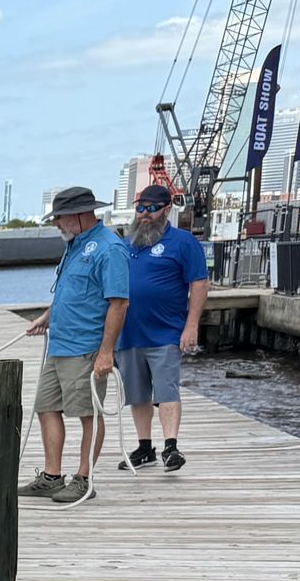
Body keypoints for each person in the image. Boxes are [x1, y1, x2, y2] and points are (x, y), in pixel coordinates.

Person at [21, 185, 130, 507]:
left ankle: (84, 479)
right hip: (60, 344)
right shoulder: (75, 244)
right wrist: (47, 316)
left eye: (60, 218)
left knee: (88, 415)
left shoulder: (109, 249)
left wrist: (106, 352)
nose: (56, 224)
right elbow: (71, 291)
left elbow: (119, 303)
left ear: (82, 214)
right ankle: (51, 476)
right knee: (45, 407)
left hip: (86, 348)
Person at [116, 183, 209, 473]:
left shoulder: (182, 242)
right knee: (137, 393)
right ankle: (145, 447)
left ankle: (171, 446)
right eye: (140, 208)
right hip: (128, 332)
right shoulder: (127, 243)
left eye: (152, 209)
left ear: (167, 209)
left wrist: (191, 325)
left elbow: (199, 282)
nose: (145, 214)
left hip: (165, 332)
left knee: (166, 388)